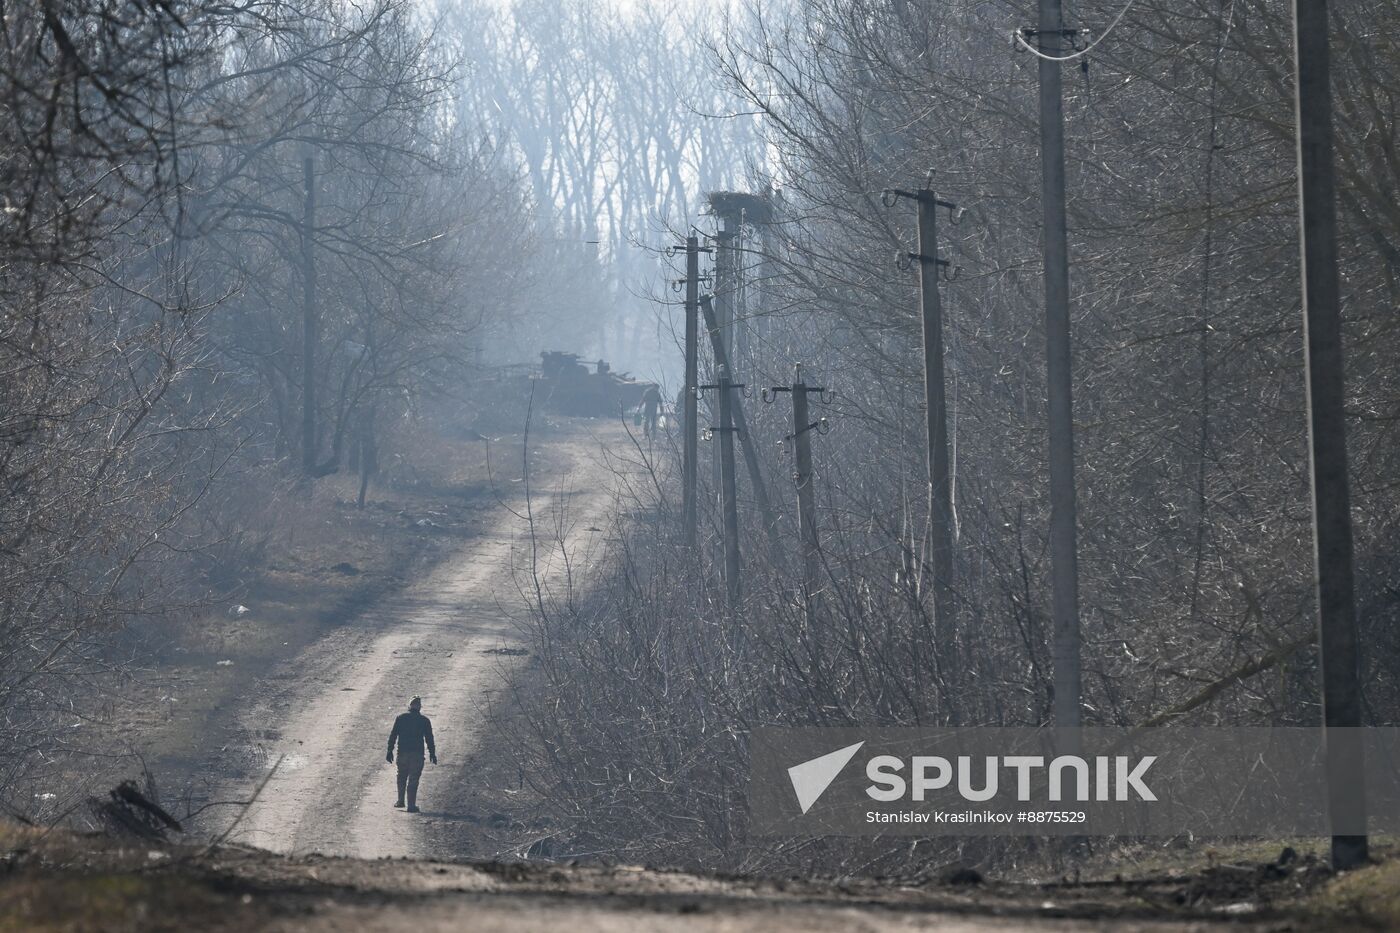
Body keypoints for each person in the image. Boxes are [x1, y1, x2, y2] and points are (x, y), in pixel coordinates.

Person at [386, 696, 436, 812]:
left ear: (409, 706)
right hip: (417, 755)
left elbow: (393, 735)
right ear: (420, 707)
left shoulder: (401, 718)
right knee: (413, 779)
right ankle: (411, 805)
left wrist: (389, 750)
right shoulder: (424, 721)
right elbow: (429, 738)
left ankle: (400, 801)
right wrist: (432, 753)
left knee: (401, 776)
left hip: (402, 753)